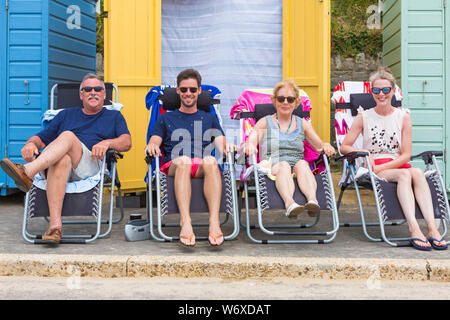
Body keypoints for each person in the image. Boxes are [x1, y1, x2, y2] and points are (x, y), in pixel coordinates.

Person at [0, 74, 132, 243]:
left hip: (90, 165)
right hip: (62, 166)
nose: (93, 92)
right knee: (62, 159)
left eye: (98, 89)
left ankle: (28, 171)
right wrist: (30, 144)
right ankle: (55, 228)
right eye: (87, 89)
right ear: (81, 95)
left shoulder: (113, 117)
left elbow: (127, 142)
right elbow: (41, 138)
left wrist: (107, 143)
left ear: (104, 95)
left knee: (68, 135)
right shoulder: (65, 115)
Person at [340, 67, 447, 251]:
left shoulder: (403, 116)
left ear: (393, 91)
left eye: (385, 90)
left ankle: (431, 228)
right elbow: (344, 147)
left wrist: (382, 168)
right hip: (376, 164)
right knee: (406, 176)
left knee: (418, 173)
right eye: (376, 90)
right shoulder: (363, 116)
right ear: (371, 92)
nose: (381, 94)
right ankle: (414, 228)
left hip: (396, 163)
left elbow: (406, 154)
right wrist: (367, 153)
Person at [145, 69, 237, 247]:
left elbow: (220, 143)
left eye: (193, 90)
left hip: (201, 165)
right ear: (178, 91)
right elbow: (155, 140)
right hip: (174, 165)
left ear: (199, 91)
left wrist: (227, 148)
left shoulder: (209, 118)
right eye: (184, 89)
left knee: (211, 160)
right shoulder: (165, 117)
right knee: (185, 160)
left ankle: (214, 222)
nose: (188, 93)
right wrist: (152, 145)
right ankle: (185, 222)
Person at [242, 79, 335, 219]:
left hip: (296, 165)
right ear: (274, 101)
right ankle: (290, 203)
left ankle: (312, 201)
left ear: (296, 103)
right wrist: (249, 145)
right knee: (284, 165)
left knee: (303, 164)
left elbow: (319, 145)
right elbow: (250, 141)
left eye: (290, 99)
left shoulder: (302, 123)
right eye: (281, 98)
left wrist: (326, 145)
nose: (285, 102)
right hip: (273, 165)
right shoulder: (265, 122)